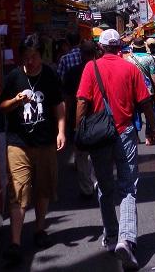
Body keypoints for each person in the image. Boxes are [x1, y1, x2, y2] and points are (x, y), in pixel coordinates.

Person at [76, 28, 155, 271]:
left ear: (101, 47)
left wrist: (78, 133)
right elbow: (145, 101)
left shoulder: (91, 68)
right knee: (128, 186)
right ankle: (127, 239)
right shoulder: (129, 68)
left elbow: (82, 101)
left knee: (104, 186)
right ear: (120, 47)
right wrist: (152, 128)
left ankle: (112, 236)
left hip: (99, 137)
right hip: (124, 133)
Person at [0, 33, 66, 264]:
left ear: (41, 56)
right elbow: (2, 106)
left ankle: (39, 230)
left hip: (45, 142)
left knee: (43, 188)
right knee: (18, 191)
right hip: (18, 144)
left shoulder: (49, 75)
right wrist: (16, 101)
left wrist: (61, 131)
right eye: (27, 57)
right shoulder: (13, 77)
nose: (31, 61)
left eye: (35, 56)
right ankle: (15, 243)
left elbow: (58, 105)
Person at [62, 39, 97, 197]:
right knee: (97, 152)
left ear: (81, 54)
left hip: (78, 118)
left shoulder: (72, 72)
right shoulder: (100, 70)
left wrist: (68, 119)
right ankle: (97, 182)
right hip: (98, 117)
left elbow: (68, 98)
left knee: (81, 155)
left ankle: (86, 188)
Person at [125, 38, 155, 144]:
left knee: (134, 113)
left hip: (132, 90)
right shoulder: (149, 58)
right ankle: (148, 136)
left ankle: (135, 135)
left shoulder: (128, 58)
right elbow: (153, 74)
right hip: (147, 90)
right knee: (149, 113)